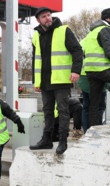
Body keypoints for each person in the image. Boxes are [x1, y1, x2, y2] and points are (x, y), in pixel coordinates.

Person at [29, 7, 83, 155]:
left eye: (48, 15)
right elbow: (35, 59)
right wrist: (36, 81)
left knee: (63, 110)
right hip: (45, 81)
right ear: (38, 20)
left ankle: (62, 141)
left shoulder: (64, 30)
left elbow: (78, 51)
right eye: (44, 16)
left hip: (61, 79)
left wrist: (76, 70)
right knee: (47, 111)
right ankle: (46, 140)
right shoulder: (36, 35)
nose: (47, 18)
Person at [78, 39, 107, 133]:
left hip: (83, 76)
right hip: (97, 75)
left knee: (86, 106)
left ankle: (87, 132)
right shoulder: (100, 40)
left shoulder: (83, 42)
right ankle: (96, 130)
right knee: (99, 106)